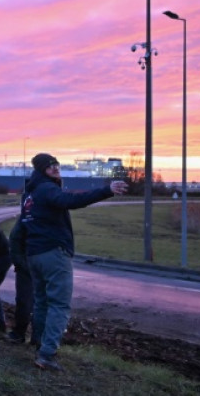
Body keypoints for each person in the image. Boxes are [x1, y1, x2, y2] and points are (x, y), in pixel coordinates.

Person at [23, 153, 128, 371]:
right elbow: (70, 201)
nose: (55, 168)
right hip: (53, 253)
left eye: (56, 164)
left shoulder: (30, 193)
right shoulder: (46, 189)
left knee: (42, 301)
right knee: (59, 304)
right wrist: (106, 190)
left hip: (34, 253)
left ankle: (39, 343)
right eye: (50, 166)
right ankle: (46, 354)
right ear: (42, 169)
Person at [5, 202, 33, 344]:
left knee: (26, 300)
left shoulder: (28, 214)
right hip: (30, 264)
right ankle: (24, 334)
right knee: (28, 301)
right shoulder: (27, 217)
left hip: (30, 263)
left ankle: (22, 333)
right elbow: (15, 239)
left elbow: (15, 238)